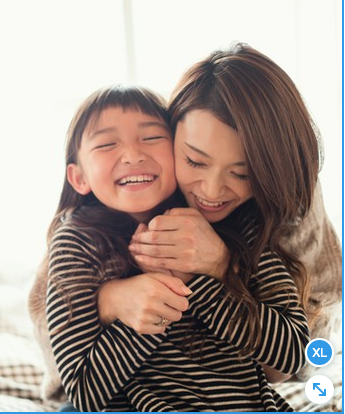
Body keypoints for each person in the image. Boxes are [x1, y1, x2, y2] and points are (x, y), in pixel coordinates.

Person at [30, 78, 310, 411]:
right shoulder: (77, 243)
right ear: (79, 178)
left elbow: (293, 352)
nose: (133, 155)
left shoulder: (238, 224)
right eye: (107, 145)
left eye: (151, 138)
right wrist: (144, 309)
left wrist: (203, 279)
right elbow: (85, 392)